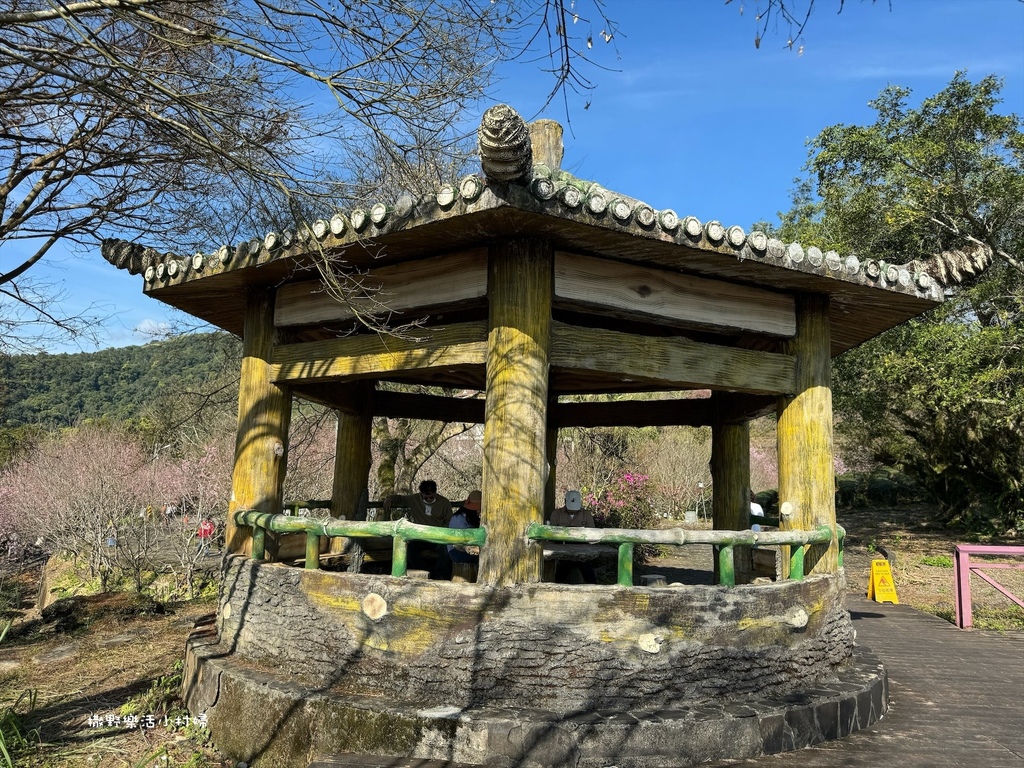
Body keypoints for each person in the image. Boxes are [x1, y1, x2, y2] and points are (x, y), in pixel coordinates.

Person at [383, 480, 453, 573]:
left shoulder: (444, 502)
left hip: (438, 536)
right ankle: (424, 571)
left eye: (431, 497)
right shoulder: (415, 499)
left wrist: (441, 531)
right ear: (421, 494)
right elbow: (400, 498)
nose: (429, 499)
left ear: (436, 493)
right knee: (409, 549)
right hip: (420, 536)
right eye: (426, 497)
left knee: (446, 549)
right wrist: (389, 498)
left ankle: (439, 574)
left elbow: (449, 520)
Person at [550, 490, 598, 584]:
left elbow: (592, 532)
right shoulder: (556, 514)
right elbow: (552, 533)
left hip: (582, 551)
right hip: (562, 550)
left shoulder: (586, 514)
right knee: (561, 573)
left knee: (588, 572)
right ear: (565, 502)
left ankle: (594, 589)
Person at [435, 489, 482, 581]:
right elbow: (464, 541)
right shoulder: (459, 519)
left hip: (465, 549)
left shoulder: (466, 517)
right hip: (458, 551)